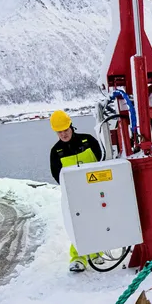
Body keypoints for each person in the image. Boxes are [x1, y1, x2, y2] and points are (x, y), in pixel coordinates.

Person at [49, 110, 107, 272]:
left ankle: (96, 253)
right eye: (60, 132)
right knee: (78, 226)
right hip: (74, 195)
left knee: (98, 222)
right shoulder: (56, 152)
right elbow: (56, 174)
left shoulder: (88, 140)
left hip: (96, 191)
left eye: (65, 130)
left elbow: (103, 160)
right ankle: (78, 258)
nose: (64, 134)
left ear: (71, 127)